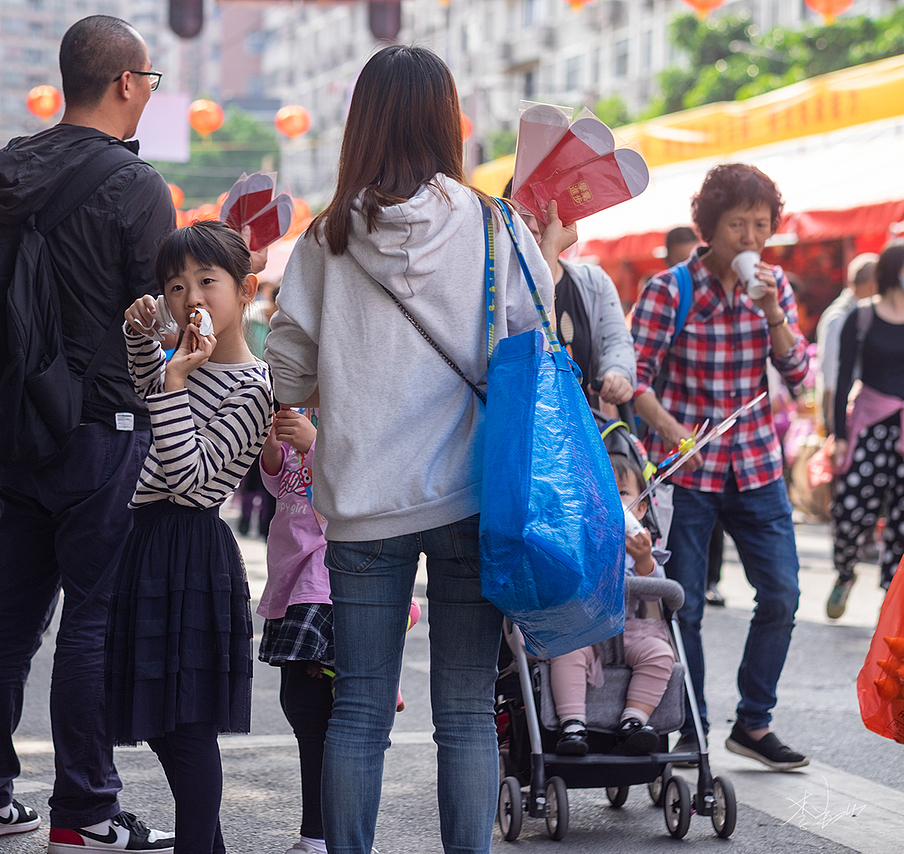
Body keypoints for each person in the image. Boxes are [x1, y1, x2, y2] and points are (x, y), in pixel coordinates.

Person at [265, 45, 556, 854]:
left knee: (359, 710)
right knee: (464, 711)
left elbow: (287, 372)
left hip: (361, 505)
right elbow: (539, 344)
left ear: (360, 124)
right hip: (472, 496)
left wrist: (350, 369)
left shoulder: (324, 241)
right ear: (445, 120)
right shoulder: (495, 224)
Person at [0, 15, 178, 847]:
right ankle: (84, 812)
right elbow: (165, 316)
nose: (150, 94)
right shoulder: (138, 187)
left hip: (15, 425)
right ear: (123, 83)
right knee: (91, 620)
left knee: (10, 613)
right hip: (102, 428)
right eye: (149, 80)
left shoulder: (6, 166)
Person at [629, 163, 810, 771]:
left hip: (756, 464)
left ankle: (753, 723)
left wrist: (774, 314)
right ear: (710, 226)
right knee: (687, 606)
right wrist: (674, 432)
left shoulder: (774, 286)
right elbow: (635, 382)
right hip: (689, 475)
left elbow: (800, 373)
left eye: (761, 226)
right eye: (738, 225)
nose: (751, 239)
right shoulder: (670, 290)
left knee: (782, 592)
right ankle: (693, 727)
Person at [109, 221, 272, 854]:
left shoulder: (254, 386)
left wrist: (175, 383)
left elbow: (196, 482)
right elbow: (150, 395)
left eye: (207, 281)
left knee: (187, 724)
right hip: (148, 543)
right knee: (161, 718)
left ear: (245, 288)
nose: (191, 298)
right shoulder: (185, 362)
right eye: (176, 287)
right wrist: (142, 342)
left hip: (193, 548)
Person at [551, 454, 675, 757]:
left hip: (630, 631)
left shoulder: (643, 546)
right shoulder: (579, 537)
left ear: (642, 507)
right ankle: (572, 725)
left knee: (661, 654)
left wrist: (644, 560)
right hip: (583, 631)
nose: (612, 500)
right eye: (602, 492)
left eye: (622, 493)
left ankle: (634, 721)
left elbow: (654, 591)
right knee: (564, 654)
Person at [256, 406, 334, 854]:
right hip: (288, 576)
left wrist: (315, 444)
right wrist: (271, 445)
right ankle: (320, 834)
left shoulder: (347, 404)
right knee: (300, 705)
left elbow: (361, 475)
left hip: (324, 577)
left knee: (316, 710)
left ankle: (324, 835)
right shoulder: (297, 409)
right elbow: (277, 482)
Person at [503, 179, 635, 410]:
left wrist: (617, 373)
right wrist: (549, 253)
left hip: (584, 433)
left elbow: (615, 341)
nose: (533, 225)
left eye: (542, 213)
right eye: (523, 214)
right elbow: (535, 349)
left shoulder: (593, 282)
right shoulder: (498, 287)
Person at [826, 242, 904, 618]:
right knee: (850, 510)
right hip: (869, 426)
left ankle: (892, 600)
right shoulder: (861, 317)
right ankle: (844, 574)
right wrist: (838, 434)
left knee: (902, 522)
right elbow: (842, 379)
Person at [665, 227, 729, 608]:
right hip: (677, 432)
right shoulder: (668, 290)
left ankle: (712, 579)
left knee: (716, 520)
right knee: (683, 526)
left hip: (727, 439)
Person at [818, 252, 879, 436]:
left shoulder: (859, 314)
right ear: (872, 285)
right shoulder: (840, 317)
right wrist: (836, 429)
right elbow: (831, 378)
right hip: (843, 415)